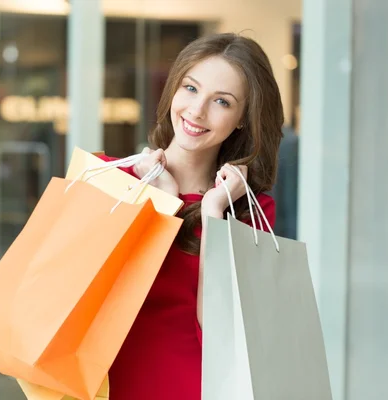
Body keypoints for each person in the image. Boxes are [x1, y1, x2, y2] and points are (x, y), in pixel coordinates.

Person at [101, 33, 284, 399]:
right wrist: (163, 200)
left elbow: (219, 327)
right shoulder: (110, 179)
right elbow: (90, 294)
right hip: (102, 382)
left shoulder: (249, 208)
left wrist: (214, 210)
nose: (197, 111)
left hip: (193, 385)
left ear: (243, 119)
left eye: (221, 101)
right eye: (190, 88)